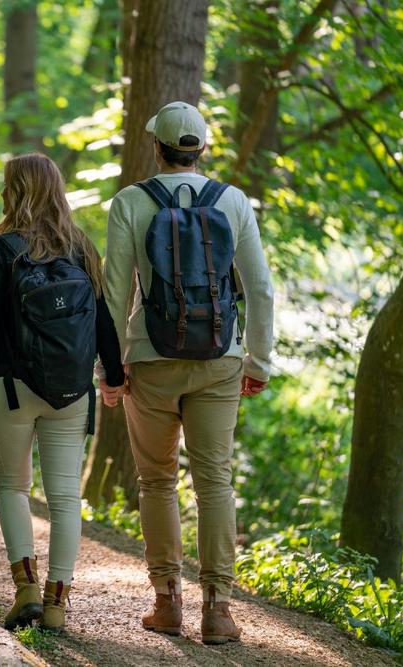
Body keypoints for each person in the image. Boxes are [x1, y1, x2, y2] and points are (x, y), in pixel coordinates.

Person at [100, 101, 274, 644]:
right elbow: (260, 287)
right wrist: (259, 360)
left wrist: (110, 368)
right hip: (220, 357)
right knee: (215, 481)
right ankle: (219, 610)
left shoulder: (130, 201)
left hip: (149, 358)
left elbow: (113, 291)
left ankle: (167, 602)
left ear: (157, 147)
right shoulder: (233, 200)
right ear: (201, 148)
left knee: (157, 481)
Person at [0, 153, 124, 634]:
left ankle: (25, 590)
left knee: (12, 486)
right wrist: (112, 375)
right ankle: (56, 604)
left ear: (16, 191)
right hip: (71, 393)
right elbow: (104, 322)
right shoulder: (82, 248)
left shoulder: (2, 248)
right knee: (65, 498)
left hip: (9, 389)